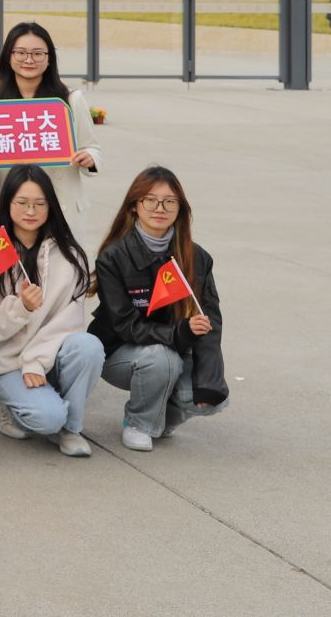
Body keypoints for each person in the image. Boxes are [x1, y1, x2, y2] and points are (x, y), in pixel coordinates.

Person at [0, 165, 101, 457]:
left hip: (47, 356)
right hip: (6, 361)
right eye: (22, 202)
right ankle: (15, 407)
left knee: (88, 346)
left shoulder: (69, 254)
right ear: (7, 203)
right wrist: (20, 308)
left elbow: (69, 322)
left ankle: (70, 429)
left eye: (39, 203)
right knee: (47, 419)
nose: (31, 211)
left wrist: (36, 361)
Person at [90, 166, 226, 452]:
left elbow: (210, 321)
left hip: (176, 345)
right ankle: (138, 423)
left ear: (181, 208)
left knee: (210, 397)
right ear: (134, 206)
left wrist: (209, 381)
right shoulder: (113, 256)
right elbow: (125, 325)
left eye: (169, 201)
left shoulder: (197, 257)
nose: (160, 208)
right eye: (150, 200)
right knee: (162, 360)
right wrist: (179, 333)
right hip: (118, 352)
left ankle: (161, 419)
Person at [0, 22, 100, 230]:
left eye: (38, 54)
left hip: (60, 208)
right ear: (9, 56)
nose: (29, 60)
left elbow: (91, 146)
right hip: (7, 211)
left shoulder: (71, 100)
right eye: (21, 53)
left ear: (49, 58)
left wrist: (89, 158)